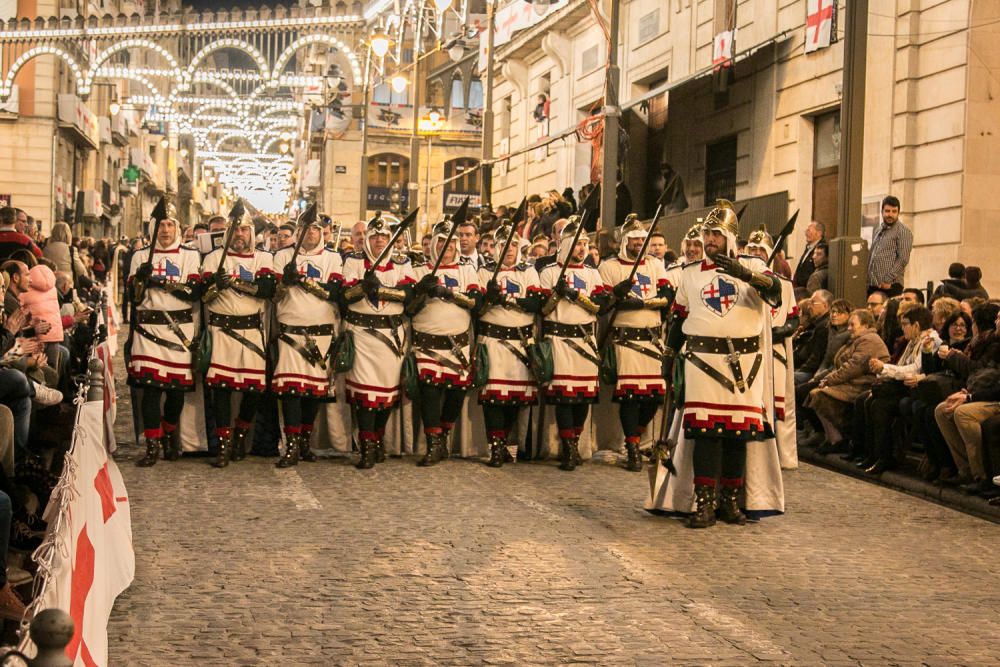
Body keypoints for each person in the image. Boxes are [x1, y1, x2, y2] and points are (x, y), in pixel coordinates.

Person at [665, 200, 783, 527]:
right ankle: (703, 504)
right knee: (705, 430)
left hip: (746, 364)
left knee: (738, 431)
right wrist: (669, 355)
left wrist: (744, 273)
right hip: (702, 360)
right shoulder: (689, 274)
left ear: (730, 238)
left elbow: (776, 293)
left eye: (716, 234)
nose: (710, 240)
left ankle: (730, 502)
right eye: (707, 234)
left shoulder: (755, 268)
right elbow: (679, 319)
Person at [127, 209, 203, 466]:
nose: (165, 230)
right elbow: (133, 297)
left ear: (177, 227)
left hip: (178, 331)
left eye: (170, 225)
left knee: (175, 391)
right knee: (150, 390)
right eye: (160, 225)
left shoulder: (190, 256)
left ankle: (169, 433)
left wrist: (158, 282)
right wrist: (139, 280)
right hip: (147, 330)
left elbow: (193, 292)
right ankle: (152, 445)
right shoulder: (139, 256)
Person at [340, 215, 416, 468]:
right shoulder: (353, 262)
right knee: (364, 393)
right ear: (368, 240)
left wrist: (380, 290)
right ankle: (366, 446)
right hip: (362, 334)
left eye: (383, 238)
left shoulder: (402, 264)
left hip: (391, 337)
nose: (379, 242)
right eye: (374, 238)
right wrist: (362, 288)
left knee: (386, 394)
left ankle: (378, 439)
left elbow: (409, 295)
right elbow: (345, 296)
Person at [201, 213, 276, 467]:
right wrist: (214, 285)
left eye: (244, 230)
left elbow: (267, 290)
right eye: (235, 230)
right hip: (221, 331)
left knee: (253, 389)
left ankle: (240, 437)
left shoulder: (264, 258)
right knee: (221, 389)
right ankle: (222, 446)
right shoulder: (213, 258)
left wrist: (233, 282)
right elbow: (202, 296)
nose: (239, 235)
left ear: (251, 233)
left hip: (252, 331)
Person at [599, 214, 671, 471]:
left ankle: (637, 436)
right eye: (635, 240)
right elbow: (603, 302)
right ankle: (631, 446)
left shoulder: (654, 265)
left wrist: (642, 303)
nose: (639, 243)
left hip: (651, 338)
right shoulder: (609, 267)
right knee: (631, 396)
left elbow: (666, 295)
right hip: (625, 340)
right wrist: (617, 295)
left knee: (654, 396)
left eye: (643, 239)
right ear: (625, 242)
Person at [409, 219, 482, 466]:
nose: (447, 246)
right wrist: (420, 291)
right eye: (442, 241)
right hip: (426, 344)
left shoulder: (467, 271)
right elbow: (408, 308)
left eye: (451, 242)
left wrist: (450, 294)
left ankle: (444, 436)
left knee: (456, 393)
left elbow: (476, 302)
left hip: (458, 344)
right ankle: (433, 444)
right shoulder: (420, 269)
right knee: (429, 392)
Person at [539, 216, 609, 470]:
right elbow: (544, 310)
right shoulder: (549, 273)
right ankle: (568, 447)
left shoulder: (592, 274)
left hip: (586, 339)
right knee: (564, 396)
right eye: (577, 244)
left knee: (583, 396)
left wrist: (575, 296)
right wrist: (557, 295)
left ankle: (576, 440)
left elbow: (600, 306)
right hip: (559, 339)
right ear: (566, 244)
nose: (582, 249)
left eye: (584, 244)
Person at [272, 217, 343, 468]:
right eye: (305, 228)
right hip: (291, 331)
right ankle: (290, 446)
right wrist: (284, 282)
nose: (310, 233)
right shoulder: (282, 257)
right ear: (298, 231)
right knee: (291, 389)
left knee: (313, 391)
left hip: (322, 333)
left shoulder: (333, 258)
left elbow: (336, 292)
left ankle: (304, 442)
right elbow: (274, 294)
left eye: (314, 229)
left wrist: (303, 282)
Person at [477, 222, 543, 467]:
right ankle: (495, 446)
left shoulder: (529, 271)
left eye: (513, 245)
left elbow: (536, 303)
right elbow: (478, 308)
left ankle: (504, 442)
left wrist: (506, 299)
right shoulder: (485, 272)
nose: (509, 249)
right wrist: (488, 297)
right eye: (504, 245)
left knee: (516, 397)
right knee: (494, 397)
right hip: (494, 340)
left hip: (521, 341)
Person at [862, 305, 940, 474]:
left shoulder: (930, 341)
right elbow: (901, 365)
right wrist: (882, 369)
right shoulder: (912, 341)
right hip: (903, 386)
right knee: (868, 401)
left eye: (905, 324)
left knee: (880, 406)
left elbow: (915, 369)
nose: (902, 327)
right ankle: (872, 453)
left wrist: (885, 368)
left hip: (915, 388)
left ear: (917, 325)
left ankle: (885, 457)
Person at [746, 227, 800, 468]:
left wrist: (777, 332)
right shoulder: (738, 279)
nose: (756, 253)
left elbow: (793, 318)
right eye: (752, 249)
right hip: (749, 350)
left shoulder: (784, 285)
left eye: (761, 249)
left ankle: (779, 454)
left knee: (777, 404)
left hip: (775, 351)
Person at [806, 310, 890, 454]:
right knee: (812, 391)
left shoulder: (869, 340)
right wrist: (826, 379)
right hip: (850, 381)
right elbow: (839, 364)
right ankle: (831, 437)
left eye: (853, 324)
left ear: (865, 325)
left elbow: (853, 367)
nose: (849, 327)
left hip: (861, 384)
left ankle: (837, 439)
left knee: (819, 395)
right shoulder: (856, 339)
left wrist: (829, 380)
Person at [867, 195, 912, 296]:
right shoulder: (878, 230)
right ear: (882, 211)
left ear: (898, 213)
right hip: (873, 285)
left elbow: (903, 259)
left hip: (890, 286)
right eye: (887, 211)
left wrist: (888, 280)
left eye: (894, 211)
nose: (890, 214)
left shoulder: (903, 231)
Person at [792, 220, 825, 290]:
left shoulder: (822, 249)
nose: (806, 233)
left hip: (809, 289)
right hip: (800, 289)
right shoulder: (808, 247)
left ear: (819, 233)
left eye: (809, 230)